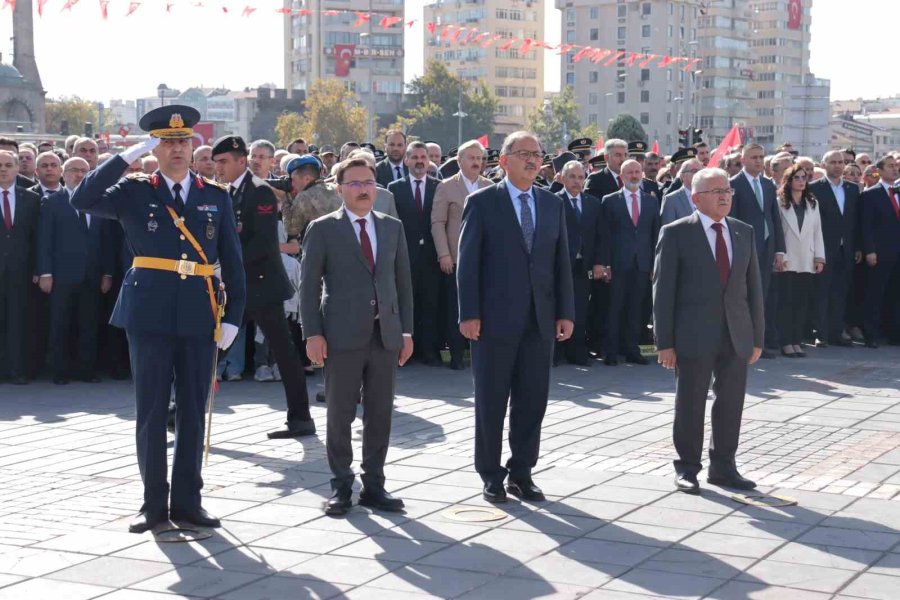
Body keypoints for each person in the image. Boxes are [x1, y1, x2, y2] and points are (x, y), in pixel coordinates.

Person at [71, 105, 246, 533]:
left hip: (199, 313)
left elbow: (234, 265)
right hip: (148, 313)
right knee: (150, 411)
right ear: (155, 148)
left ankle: (188, 501)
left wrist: (233, 319)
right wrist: (125, 156)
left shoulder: (214, 195)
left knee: (191, 409)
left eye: (183, 142)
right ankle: (153, 503)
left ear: (194, 146)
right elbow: (82, 198)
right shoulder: (133, 190)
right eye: (167, 143)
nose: (177, 150)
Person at [457, 131, 574, 503]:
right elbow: (468, 264)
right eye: (523, 154)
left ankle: (522, 471)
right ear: (503, 161)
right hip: (493, 320)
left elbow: (561, 264)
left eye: (537, 154)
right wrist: (469, 313)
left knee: (532, 400)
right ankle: (491, 473)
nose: (532, 160)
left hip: (539, 319)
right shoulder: (482, 202)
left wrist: (565, 312)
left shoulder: (552, 204)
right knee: (491, 399)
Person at [300, 157, 414, 516]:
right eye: (355, 183)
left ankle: (375, 484)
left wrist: (406, 330)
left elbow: (403, 285)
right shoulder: (322, 229)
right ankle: (341, 485)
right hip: (341, 335)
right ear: (340, 189)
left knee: (380, 413)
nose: (363, 189)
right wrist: (313, 333)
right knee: (340, 413)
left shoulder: (392, 227)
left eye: (368, 182)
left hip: (385, 335)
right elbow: (308, 286)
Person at [653, 167, 764, 495]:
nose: (724, 195)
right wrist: (664, 342)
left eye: (727, 190)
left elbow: (754, 287)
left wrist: (757, 336)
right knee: (690, 402)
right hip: (692, 334)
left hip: (736, 332)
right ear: (696, 198)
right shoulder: (676, 233)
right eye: (716, 191)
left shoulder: (743, 231)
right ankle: (687, 467)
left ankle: (724, 466)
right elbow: (663, 291)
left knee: (731, 402)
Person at [211, 135, 315, 439]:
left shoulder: (260, 193)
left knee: (283, 353)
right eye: (215, 162)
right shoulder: (226, 192)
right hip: (238, 285)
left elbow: (264, 244)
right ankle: (182, 412)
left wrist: (225, 264)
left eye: (223, 162)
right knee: (212, 347)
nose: (218, 168)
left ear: (241, 161)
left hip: (261, 286)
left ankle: (301, 418)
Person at [37, 157, 114, 384]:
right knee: (59, 324)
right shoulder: (52, 201)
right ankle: (59, 371)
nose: (79, 175)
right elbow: (44, 240)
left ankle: (86, 370)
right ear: (63, 173)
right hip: (61, 276)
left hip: (92, 275)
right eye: (73, 170)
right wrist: (45, 272)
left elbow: (106, 241)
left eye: (84, 171)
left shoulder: (99, 202)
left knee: (89, 324)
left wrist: (107, 272)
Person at [430, 139, 492, 370]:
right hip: (456, 259)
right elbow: (437, 222)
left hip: (485, 260)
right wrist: (443, 255)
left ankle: (479, 353)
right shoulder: (446, 186)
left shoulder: (489, 185)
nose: (476, 162)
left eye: (479, 158)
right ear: (460, 160)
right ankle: (456, 356)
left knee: (484, 307)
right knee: (456, 308)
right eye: (472, 158)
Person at [596, 159, 659, 365]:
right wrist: (605, 264)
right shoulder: (610, 200)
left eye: (637, 172)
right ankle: (611, 351)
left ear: (642, 174)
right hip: (617, 264)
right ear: (622, 176)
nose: (634, 175)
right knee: (614, 307)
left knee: (636, 308)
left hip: (642, 264)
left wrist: (654, 265)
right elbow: (604, 236)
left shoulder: (651, 201)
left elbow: (654, 235)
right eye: (629, 172)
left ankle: (632, 349)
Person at [730, 143, 786, 358]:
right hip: (745, 249)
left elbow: (774, 218)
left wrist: (779, 250)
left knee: (762, 297)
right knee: (745, 297)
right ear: (743, 160)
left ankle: (758, 344)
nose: (758, 161)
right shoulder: (734, 184)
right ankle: (743, 343)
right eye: (754, 157)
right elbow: (732, 219)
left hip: (767, 248)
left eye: (761, 157)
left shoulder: (768, 185)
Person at [389, 142, 442, 365]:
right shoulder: (394, 187)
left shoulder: (439, 186)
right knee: (407, 303)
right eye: (415, 157)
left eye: (424, 157)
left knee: (430, 303)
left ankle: (428, 351)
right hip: (405, 255)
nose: (420, 161)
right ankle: (406, 353)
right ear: (407, 160)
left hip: (431, 256)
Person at [809, 150, 860, 347]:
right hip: (823, 248)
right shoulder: (814, 188)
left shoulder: (852, 188)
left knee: (840, 292)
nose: (838, 165)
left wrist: (857, 247)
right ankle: (820, 333)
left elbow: (855, 221)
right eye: (833, 162)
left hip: (846, 249)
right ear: (824, 164)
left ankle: (836, 332)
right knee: (821, 292)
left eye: (840, 162)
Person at [775, 164, 825, 357]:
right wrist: (779, 254)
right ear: (789, 180)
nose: (801, 181)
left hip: (807, 258)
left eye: (804, 177)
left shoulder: (812, 202)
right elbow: (777, 231)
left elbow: (817, 231)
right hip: (787, 258)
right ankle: (785, 341)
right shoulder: (779, 201)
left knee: (801, 302)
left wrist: (819, 257)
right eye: (797, 177)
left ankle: (796, 340)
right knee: (786, 302)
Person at [0, 149, 40, 384]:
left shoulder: (31, 199)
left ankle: (16, 370)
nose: (3, 169)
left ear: (17, 169)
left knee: (17, 322)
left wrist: (38, 268)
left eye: (8, 165)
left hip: (21, 272)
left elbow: (37, 238)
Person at [555, 160, 601, 367]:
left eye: (580, 177)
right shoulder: (553, 201)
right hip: (559, 265)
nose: (576, 181)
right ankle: (555, 351)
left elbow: (601, 236)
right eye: (572, 177)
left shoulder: (593, 203)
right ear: (563, 178)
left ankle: (576, 350)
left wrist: (600, 263)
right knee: (557, 307)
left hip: (584, 266)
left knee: (580, 308)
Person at [860, 154, 900, 347]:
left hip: (898, 252)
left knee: (895, 294)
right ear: (880, 171)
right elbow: (865, 226)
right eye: (890, 166)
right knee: (875, 293)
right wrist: (869, 250)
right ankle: (871, 334)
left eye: (896, 166)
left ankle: (893, 333)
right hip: (880, 252)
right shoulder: (871, 194)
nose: (895, 169)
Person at [660, 156, 701, 226]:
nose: (698, 174)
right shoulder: (671, 199)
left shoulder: (708, 195)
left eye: (700, 171)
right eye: (694, 171)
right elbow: (668, 230)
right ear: (682, 176)